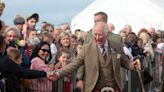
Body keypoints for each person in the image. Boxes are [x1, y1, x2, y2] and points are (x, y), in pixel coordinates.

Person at [52, 22, 141, 92]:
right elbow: (74, 64)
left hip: (114, 87)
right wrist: (58, 73)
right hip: (93, 88)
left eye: (100, 35)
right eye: (95, 34)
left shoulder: (116, 46)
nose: (97, 38)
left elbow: (124, 61)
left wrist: (133, 65)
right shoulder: (87, 48)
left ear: (107, 34)